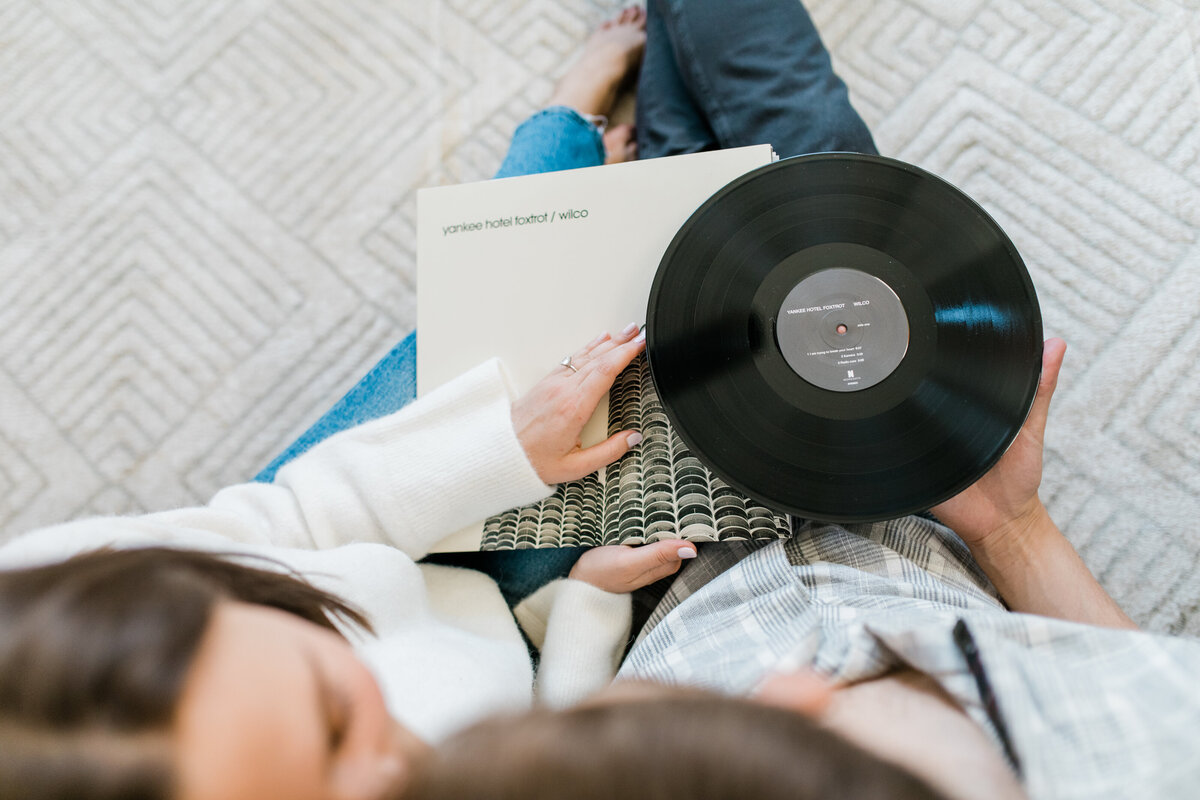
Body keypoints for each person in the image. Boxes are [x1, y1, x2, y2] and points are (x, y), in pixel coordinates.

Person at [3, 6, 1198, 800]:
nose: (412, 767)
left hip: (482, 556)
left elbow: (296, 523)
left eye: (330, 710)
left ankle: (571, 120)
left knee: (560, 275)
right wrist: (1009, 529)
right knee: (820, 185)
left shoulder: (87, 602)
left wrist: (519, 493)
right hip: (706, 565)